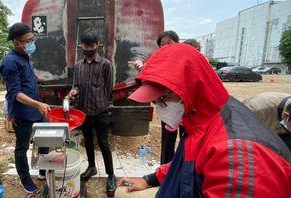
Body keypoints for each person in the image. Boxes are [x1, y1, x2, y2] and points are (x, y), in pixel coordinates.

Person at [116, 43, 291, 197]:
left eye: (161, 98)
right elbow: (188, 163)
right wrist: (150, 179)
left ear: (191, 87)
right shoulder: (202, 119)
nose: (158, 105)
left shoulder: (238, 156)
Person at [0, 22, 50, 194]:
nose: (31, 43)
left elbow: (25, 76)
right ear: (16, 42)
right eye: (27, 40)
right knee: (22, 148)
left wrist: (36, 79)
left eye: (32, 39)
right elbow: (15, 93)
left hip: (35, 109)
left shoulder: (24, 56)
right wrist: (38, 104)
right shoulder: (9, 62)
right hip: (22, 113)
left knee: (44, 139)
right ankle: (25, 178)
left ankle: (43, 170)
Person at [67, 29, 116, 197]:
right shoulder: (79, 66)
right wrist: (74, 91)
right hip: (84, 112)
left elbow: (109, 88)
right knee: (88, 141)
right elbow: (77, 85)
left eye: (91, 45)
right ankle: (92, 167)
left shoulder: (105, 64)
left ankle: (111, 175)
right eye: (85, 45)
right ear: (82, 45)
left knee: (103, 143)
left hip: (101, 110)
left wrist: (101, 100)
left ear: (97, 45)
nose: (88, 48)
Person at [129, 30, 183, 165]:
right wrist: (141, 68)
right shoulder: (157, 61)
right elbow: (148, 75)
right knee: (167, 142)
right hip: (168, 109)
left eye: (169, 43)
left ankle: (182, 168)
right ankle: (165, 169)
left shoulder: (183, 60)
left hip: (185, 109)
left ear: (177, 43)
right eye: (162, 44)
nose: (165, 46)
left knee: (186, 143)